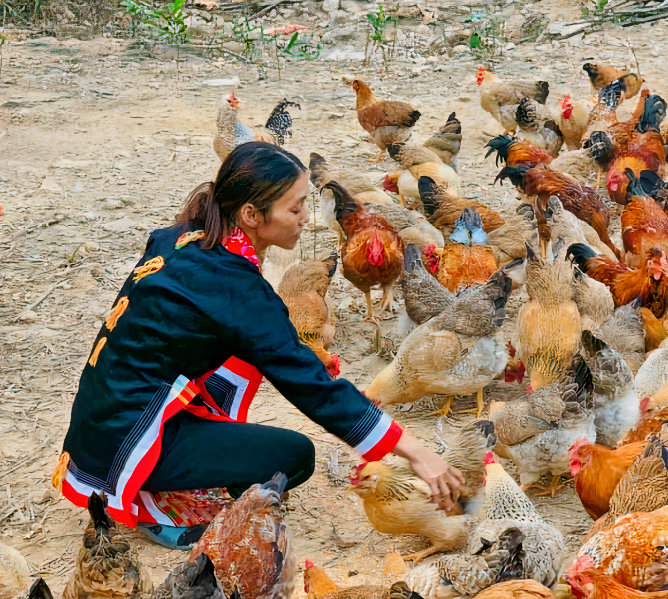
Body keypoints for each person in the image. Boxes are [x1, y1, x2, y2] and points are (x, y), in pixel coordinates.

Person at [53, 142, 463, 549]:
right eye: (294, 207)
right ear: (251, 214)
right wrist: (412, 449)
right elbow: (310, 383)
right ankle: (156, 502)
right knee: (294, 457)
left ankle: (172, 470)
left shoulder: (182, 238)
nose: (305, 218)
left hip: (102, 421)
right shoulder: (235, 289)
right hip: (127, 437)